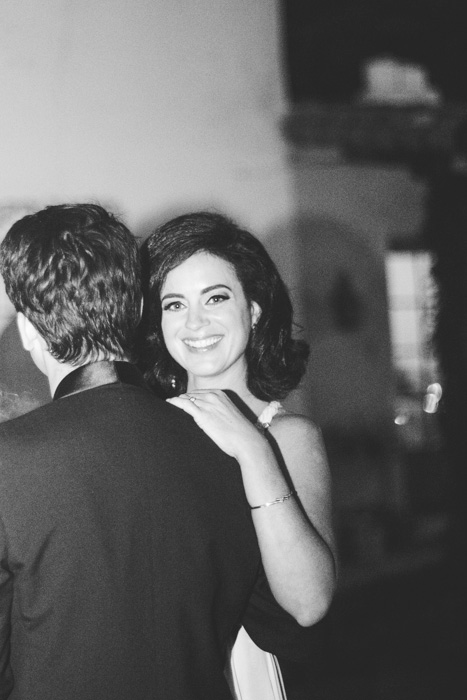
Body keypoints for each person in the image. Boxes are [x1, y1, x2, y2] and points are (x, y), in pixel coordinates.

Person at [0, 203, 307, 700]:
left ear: (29, 330)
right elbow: (279, 625)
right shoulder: (227, 444)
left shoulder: (9, 459)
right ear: (138, 310)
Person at [139, 211, 338, 700]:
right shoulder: (143, 429)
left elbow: (309, 604)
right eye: (174, 304)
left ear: (252, 309)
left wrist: (252, 449)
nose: (195, 323)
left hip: (252, 675)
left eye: (216, 297)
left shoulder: (288, 437)